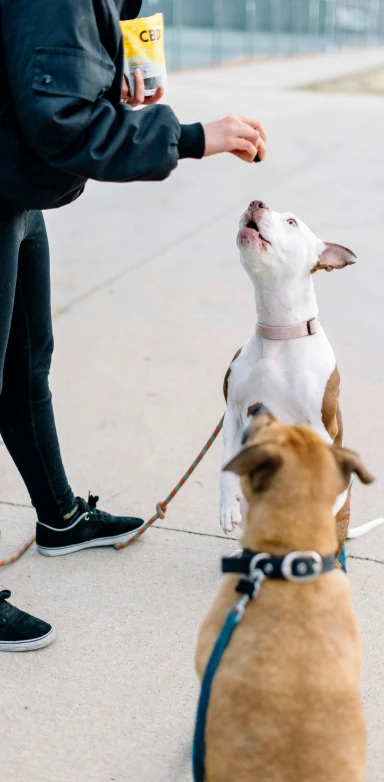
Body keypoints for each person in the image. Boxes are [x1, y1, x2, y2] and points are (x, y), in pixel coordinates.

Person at [0, 0, 266, 652]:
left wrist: (119, 87)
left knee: (25, 362)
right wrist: (191, 136)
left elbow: (57, 83)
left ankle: (60, 518)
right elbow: (61, 121)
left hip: (14, 184)